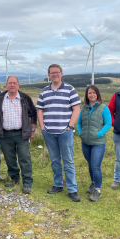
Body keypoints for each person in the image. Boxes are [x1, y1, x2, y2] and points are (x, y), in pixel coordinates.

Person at [36, 64, 82, 202]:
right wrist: (42, 127)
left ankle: (72, 189)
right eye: (52, 73)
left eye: (57, 72)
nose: (55, 74)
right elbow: (40, 110)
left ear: (61, 74)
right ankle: (58, 185)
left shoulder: (70, 89)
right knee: (55, 160)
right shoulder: (44, 91)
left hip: (65, 132)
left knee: (68, 161)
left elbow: (77, 108)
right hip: (49, 132)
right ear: (48, 75)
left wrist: (70, 126)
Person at [0, 76, 37, 194]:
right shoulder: (1, 98)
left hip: (22, 133)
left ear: (18, 85)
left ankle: (27, 182)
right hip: (5, 134)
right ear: (6, 85)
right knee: (9, 158)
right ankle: (14, 179)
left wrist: (32, 130)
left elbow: (33, 113)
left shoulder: (25, 98)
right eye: (10, 83)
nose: (12, 85)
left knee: (24, 157)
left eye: (14, 83)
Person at [77, 85, 112, 202]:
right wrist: (80, 133)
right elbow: (79, 123)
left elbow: (108, 123)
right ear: (87, 95)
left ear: (97, 94)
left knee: (96, 166)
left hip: (98, 143)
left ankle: (98, 190)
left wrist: (99, 134)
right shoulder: (83, 108)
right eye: (90, 93)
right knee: (90, 164)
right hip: (85, 142)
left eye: (94, 93)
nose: (92, 95)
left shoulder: (103, 108)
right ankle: (93, 183)